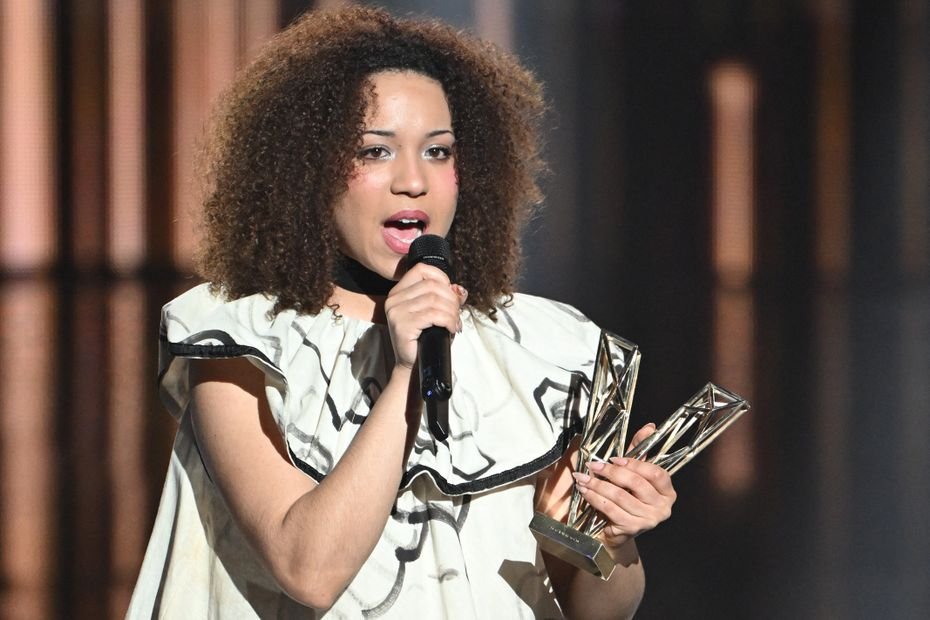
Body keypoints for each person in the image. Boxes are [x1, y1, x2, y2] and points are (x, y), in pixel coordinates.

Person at [127, 6, 676, 619]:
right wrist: (407, 373)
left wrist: (613, 538)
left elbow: (601, 612)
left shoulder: (543, 351)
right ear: (308, 168)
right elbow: (308, 569)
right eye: (374, 151)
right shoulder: (236, 344)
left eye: (438, 151)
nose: (413, 180)